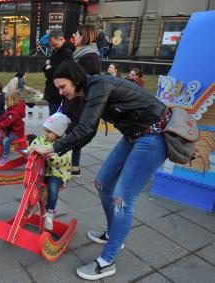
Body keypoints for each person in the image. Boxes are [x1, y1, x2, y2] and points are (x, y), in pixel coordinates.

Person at [34, 61, 169, 280]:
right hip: (133, 135)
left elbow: (85, 128)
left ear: (76, 80)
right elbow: (88, 131)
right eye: (57, 88)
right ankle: (114, 233)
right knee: (103, 183)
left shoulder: (99, 86)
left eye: (62, 87)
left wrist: (53, 148)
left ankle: (107, 261)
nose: (60, 92)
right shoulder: (89, 91)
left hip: (153, 136)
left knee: (122, 198)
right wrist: (57, 151)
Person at [65, 24, 100, 176]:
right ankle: (71, 164)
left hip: (80, 102)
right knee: (71, 131)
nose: (75, 37)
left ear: (84, 36)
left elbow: (82, 80)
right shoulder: (80, 54)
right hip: (74, 100)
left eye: (77, 35)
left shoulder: (90, 57)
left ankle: (73, 166)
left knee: (74, 132)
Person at [27, 113, 72, 231]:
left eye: (49, 132)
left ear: (59, 133)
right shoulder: (41, 139)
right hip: (41, 171)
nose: (45, 134)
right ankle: (33, 204)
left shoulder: (65, 144)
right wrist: (30, 150)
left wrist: (51, 157)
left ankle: (49, 213)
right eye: (45, 130)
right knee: (30, 183)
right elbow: (33, 146)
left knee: (52, 187)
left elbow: (65, 160)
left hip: (56, 173)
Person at [0, 91, 26, 166]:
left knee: (5, 141)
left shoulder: (14, 112)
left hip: (16, 133)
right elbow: (3, 117)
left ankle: (4, 158)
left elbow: (6, 122)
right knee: (0, 138)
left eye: (6, 100)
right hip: (11, 131)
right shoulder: (11, 109)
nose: (5, 102)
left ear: (12, 101)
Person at [43, 29, 73, 115]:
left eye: (54, 44)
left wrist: (48, 68)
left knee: (56, 121)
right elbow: (47, 68)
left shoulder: (67, 53)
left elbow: (57, 72)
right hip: (53, 92)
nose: (52, 47)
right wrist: (47, 68)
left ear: (61, 39)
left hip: (58, 94)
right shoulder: (56, 51)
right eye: (51, 45)